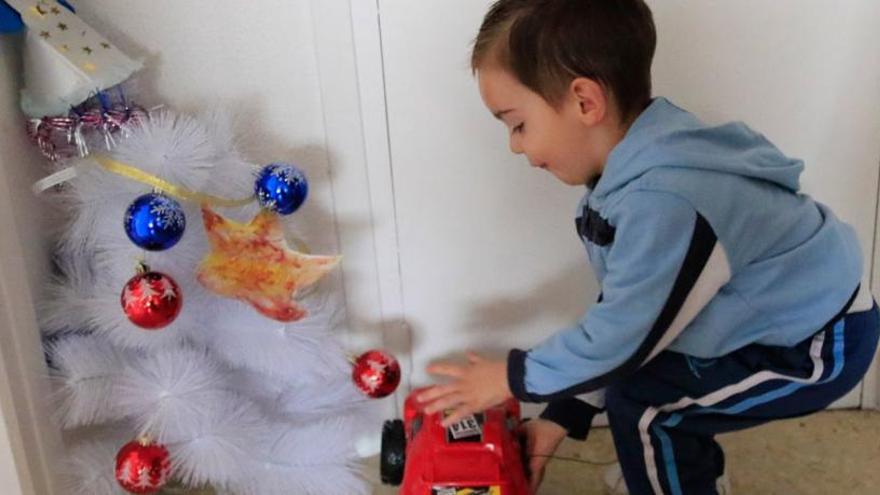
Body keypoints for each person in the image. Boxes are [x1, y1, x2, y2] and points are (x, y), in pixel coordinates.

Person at [416, 1, 880, 494]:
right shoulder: (633, 173)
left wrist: (513, 378)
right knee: (645, 387)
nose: (514, 145)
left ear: (584, 102)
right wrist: (561, 415)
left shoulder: (667, 198)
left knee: (650, 411)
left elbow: (624, 338)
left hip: (817, 343)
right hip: (769, 319)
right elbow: (631, 314)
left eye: (517, 124)